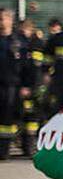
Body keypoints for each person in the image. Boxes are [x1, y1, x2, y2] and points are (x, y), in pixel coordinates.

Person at [16, 19, 47, 156]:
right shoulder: (21, 45)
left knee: (32, 118)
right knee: (28, 118)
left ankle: (30, 147)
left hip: (34, 87)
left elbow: (35, 70)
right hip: (27, 86)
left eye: (26, 29)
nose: (24, 32)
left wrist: (31, 87)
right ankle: (27, 146)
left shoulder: (35, 46)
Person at [0, 9, 24, 159]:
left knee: (7, 120)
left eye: (3, 19)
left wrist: (28, 85)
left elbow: (27, 66)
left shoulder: (18, 41)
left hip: (12, 86)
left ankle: (4, 151)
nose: (1, 22)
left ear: (10, 20)